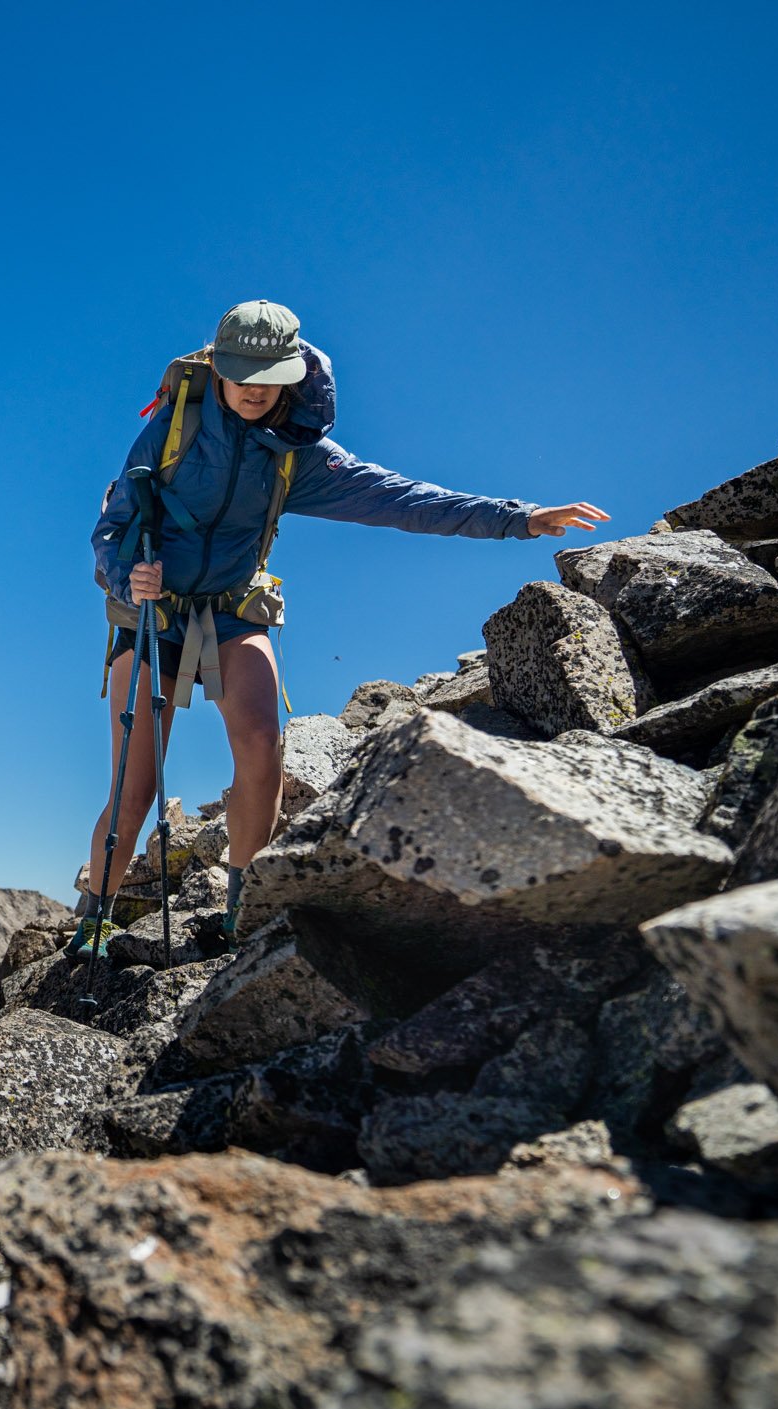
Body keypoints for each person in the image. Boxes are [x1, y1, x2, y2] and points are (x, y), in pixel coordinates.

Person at [73, 300, 607, 955]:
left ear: (292, 375)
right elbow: (112, 525)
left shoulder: (298, 454)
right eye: (240, 372)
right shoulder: (173, 431)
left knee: (263, 748)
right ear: (217, 368)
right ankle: (93, 920)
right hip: (152, 610)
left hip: (237, 604)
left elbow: (401, 498)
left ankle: (244, 915)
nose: (251, 387)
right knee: (137, 784)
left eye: (267, 375)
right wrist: (127, 576)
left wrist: (516, 517)